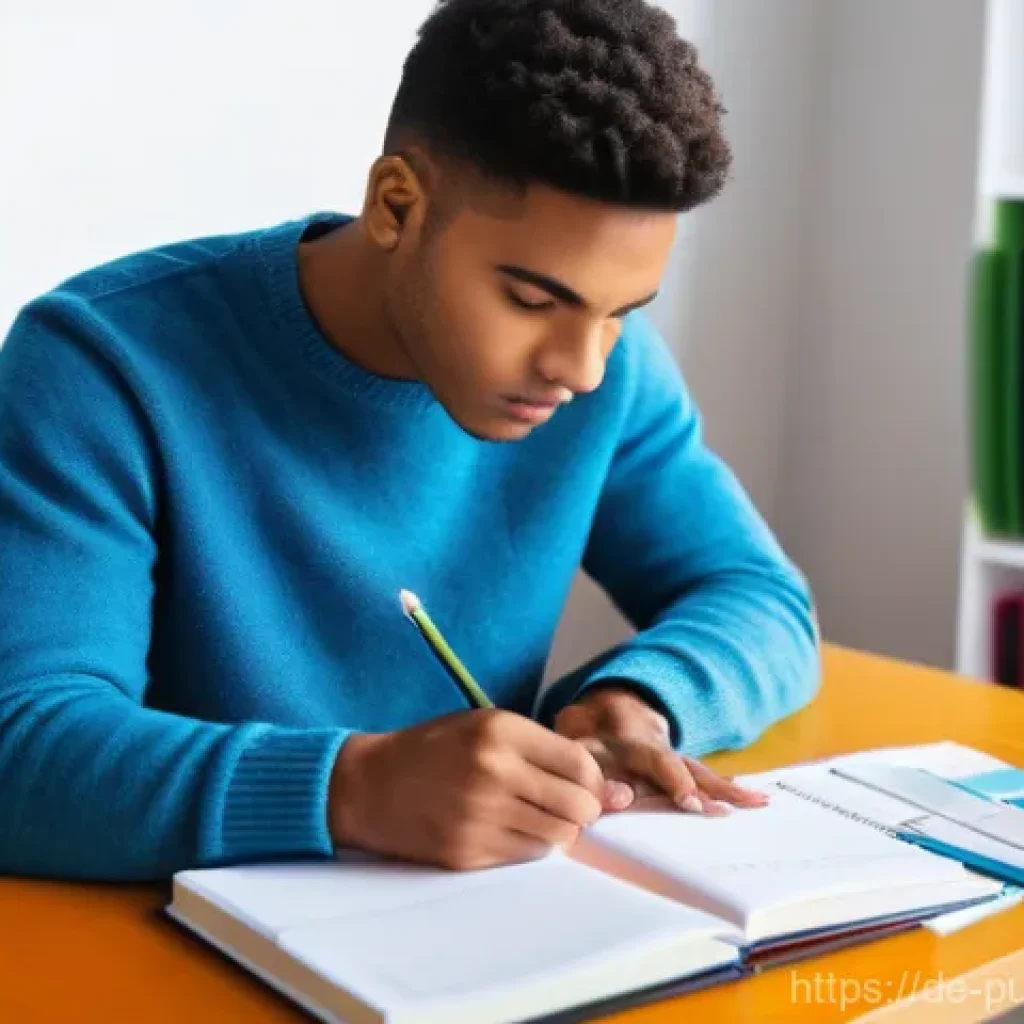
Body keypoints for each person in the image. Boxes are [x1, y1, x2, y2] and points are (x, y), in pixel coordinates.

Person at [0, 0, 819, 883]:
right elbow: (24, 742)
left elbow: (759, 596)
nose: (581, 367)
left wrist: (640, 700)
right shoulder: (100, 361)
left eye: (619, 313)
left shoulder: (607, 371)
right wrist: (347, 789)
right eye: (533, 300)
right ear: (396, 205)